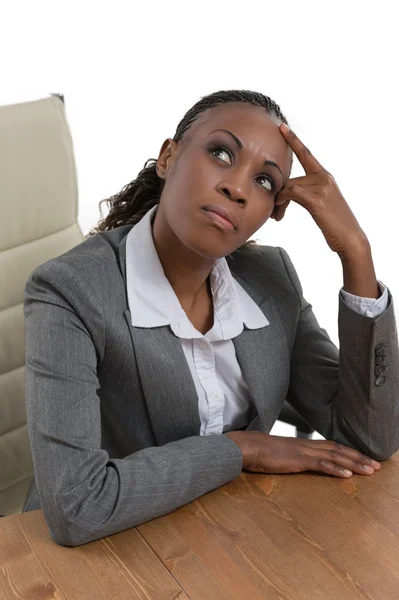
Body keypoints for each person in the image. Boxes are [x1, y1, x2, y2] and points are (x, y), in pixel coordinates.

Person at [22, 89, 399, 547]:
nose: (237, 188)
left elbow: (369, 437)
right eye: (221, 153)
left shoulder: (270, 280)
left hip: (224, 539)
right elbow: (78, 506)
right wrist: (240, 449)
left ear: (272, 209)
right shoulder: (70, 290)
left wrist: (356, 252)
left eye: (264, 181)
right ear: (168, 157)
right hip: (100, 557)